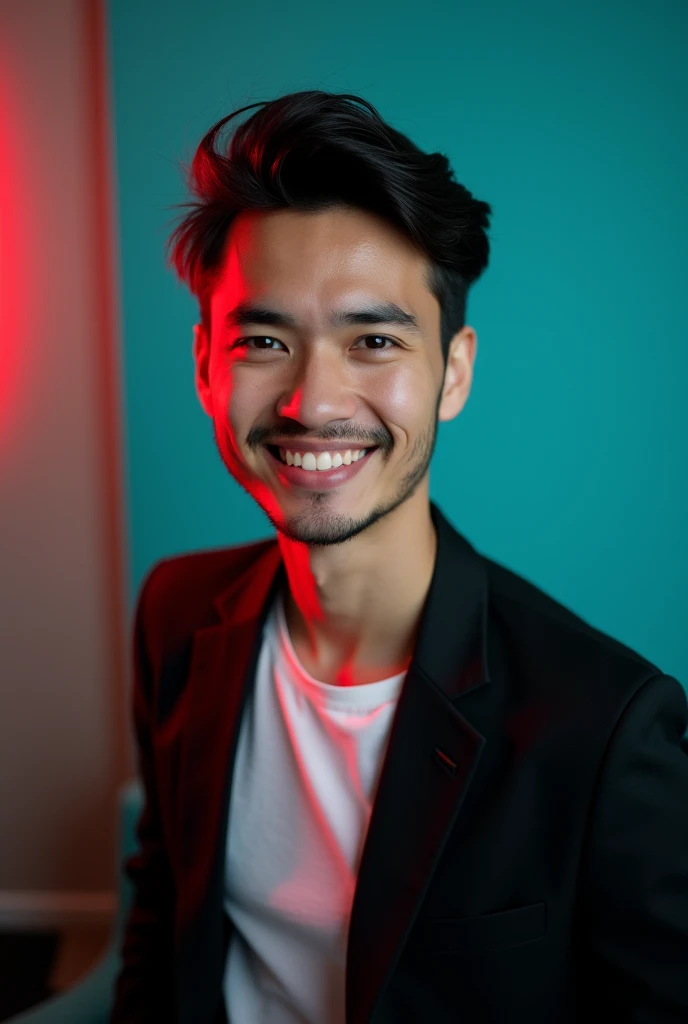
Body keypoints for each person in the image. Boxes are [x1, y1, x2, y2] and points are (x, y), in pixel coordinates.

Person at [111, 90, 688, 1024]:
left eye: (373, 340)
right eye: (264, 340)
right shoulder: (175, 614)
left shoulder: (603, 726)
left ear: (453, 372)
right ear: (204, 367)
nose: (311, 401)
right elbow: (164, 924)